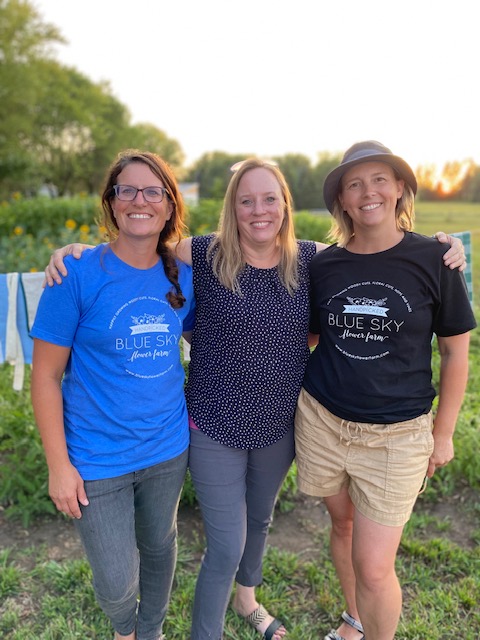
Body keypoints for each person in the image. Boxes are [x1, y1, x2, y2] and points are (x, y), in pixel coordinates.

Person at [43, 157, 466, 640]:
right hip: (213, 426)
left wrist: (445, 246)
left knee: (259, 521)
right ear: (232, 208)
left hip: (279, 427)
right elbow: (140, 245)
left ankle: (247, 598)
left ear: (285, 206)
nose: (258, 210)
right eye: (246, 200)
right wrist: (78, 252)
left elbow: (369, 261)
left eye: (269, 199)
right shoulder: (202, 255)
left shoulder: (311, 260)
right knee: (226, 543)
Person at [294, 141, 476, 640]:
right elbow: (313, 336)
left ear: (399, 188)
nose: (367, 191)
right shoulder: (324, 265)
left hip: (397, 435)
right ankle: (354, 619)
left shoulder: (436, 257)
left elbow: (455, 352)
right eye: (354, 184)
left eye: (379, 179)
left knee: (375, 568)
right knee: (343, 527)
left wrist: (444, 434)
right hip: (322, 421)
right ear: (343, 202)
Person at [31, 150, 195, 640]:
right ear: (112, 202)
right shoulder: (75, 274)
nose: (139, 200)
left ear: (169, 206)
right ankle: (126, 631)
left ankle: (153, 631)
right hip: (96, 458)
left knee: (162, 548)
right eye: (127, 190)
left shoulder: (182, 276)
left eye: (153, 191)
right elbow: (45, 377)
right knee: (117, 577)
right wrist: (58, 465)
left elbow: (261, 242)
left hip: (167, 448)